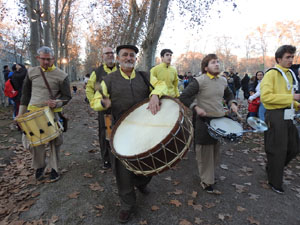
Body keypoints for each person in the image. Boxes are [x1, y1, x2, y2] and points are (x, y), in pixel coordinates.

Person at [89, 44, 166, 223]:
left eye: (132, 55)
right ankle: (127, 204)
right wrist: (102, 103)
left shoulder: (145, 76)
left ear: (135, 59)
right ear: (118, 58)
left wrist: (155, 94)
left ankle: (141, 182)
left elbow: (162, 85)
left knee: (148, 162)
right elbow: (95, 99)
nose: (129, 58)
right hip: (120, 129)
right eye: (124, 55)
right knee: (123, 169)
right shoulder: (107, 80)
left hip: (144, 128)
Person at [179, 54, 237, 194]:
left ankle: (209, 175)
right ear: (206, 67)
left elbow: (229, 94)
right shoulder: (199, 81)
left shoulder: (223, 81)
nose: (217, 64)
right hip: (203, 121)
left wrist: (232, 103)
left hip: (219, 119)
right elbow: (184, 96)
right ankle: (206, 181)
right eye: (213, 62)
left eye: (217, 62)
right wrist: (196, 107)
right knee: (204, 151)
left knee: (215, 150)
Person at [17, 46, 71, 182]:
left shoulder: (62, 75)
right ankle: (40, 166)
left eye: (49, 59)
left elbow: (67, 96)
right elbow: (25, 94)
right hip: (33, 113)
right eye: (43, 59)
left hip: (52, 113)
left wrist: (57, 103)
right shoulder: (31, 73)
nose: (46, 62)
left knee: (55, 142)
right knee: (33, 143)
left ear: (53, 59)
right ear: (37, 58)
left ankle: (54, 169)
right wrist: (20, 115)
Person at [261, 45, 300, 194]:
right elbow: (266, 97)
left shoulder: (290, 74)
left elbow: (288, 96)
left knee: (295, 147)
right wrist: (292, 97)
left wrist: (296, 105)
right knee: (278, 150)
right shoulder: (271, 74)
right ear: (279, 59)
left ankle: (273, 168)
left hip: (288, 114)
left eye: (292, 57)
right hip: (275, 115)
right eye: (287, 57)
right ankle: (275, 182)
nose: (291, 60)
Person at [86, 47, 118, 169]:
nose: (110, 55)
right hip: (104, 110)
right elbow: (90, 88)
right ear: (102, 56)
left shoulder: (120, 69)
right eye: (107, 53)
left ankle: (121, 156)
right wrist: (93, 102)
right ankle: (106, 159)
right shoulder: (97, 72)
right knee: (105, 135)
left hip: (120, 108)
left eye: (111, 53)